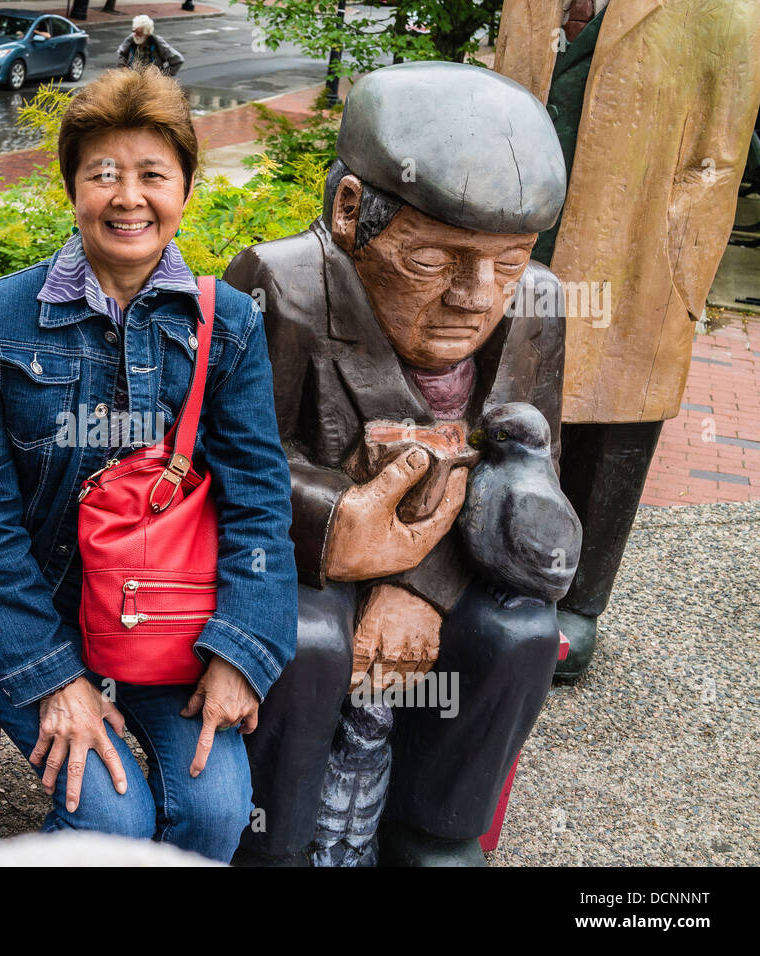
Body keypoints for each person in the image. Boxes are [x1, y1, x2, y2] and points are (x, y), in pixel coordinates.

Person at [0, 66, 297, 863]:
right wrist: (54, 677)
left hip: (163, 620)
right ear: (72, 187)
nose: (127, 197)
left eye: (151, 175)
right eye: (103, 174)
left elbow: (259, 503)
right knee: (111, 822)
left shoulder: (227, 323)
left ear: (186, 188)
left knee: (214, 814)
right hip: (27, 614)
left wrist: (242, 653)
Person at [224, 62, 572, 866]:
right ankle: (270, 841)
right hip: (305, 567)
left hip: (446, 565)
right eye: (433, 259)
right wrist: (339, 526)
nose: (475, 296)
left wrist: (417, 586)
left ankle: (435, 838)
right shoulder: (280, 285)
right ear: (352, 212)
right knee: (307, 644)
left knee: (516, 631)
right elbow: (230, 459)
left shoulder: (535, 307)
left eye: (508, 262)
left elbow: (530, 476)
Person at [495, 0, 760, 678]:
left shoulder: (729, 9)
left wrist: (682, 260)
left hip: (639, 243)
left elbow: (721, 152)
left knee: (618, 415)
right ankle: (500, 573)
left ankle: (580, 600)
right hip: (521, 227)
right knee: (508, 406)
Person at [117, 16, 184, 77]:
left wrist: (162, 76)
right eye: (134, 31)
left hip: (152, 83)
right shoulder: (131, 39)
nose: (135, 35)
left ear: (147, 33)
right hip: (132, 80)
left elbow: (178, 60)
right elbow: (121, 53)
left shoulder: (157, 42)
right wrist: (123, 68)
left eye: (139, 33)